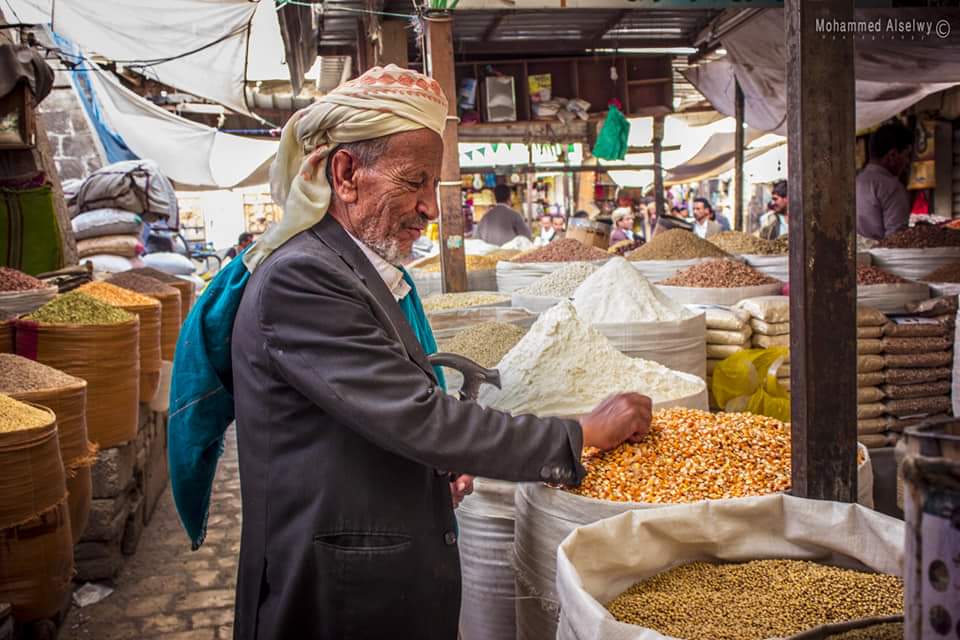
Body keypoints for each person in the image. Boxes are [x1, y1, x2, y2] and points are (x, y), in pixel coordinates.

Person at [168, 65, 652, 640]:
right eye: (414, 181)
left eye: (432, 186)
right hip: (334, 595)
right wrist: (581, 434)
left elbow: (373, 409)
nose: (429, 207)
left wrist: (426, 470)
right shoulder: (302, 279)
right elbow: (419, 415)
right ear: (346, 173)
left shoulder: (348, 266)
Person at [857, 121, 913, 240]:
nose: (907, 162)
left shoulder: (855, 182)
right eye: (906, 155)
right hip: (880, 258)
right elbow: (897, 240)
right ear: (892, 155)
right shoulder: (891, 187)